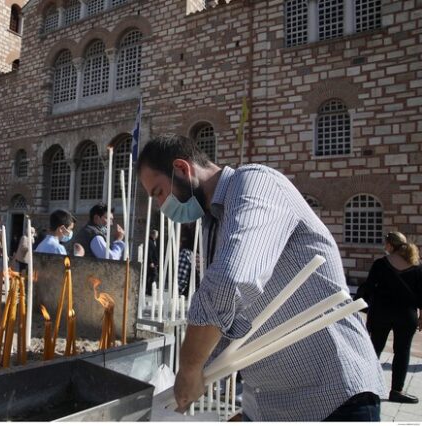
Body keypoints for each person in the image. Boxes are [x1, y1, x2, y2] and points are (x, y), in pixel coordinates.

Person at [136, 135, 386, 421]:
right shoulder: (212, 223)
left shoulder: (255, 183)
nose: (160, 206)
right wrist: (250, 412)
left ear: (181, 169)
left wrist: (189, 367)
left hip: (334, 397)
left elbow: (231, 281)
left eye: (158, 192)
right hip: (278, 404)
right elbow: (235, 321)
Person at [360, 231, 422, 404]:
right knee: (402, 352)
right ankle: (397, 391)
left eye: (385, 243)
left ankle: (366, 387)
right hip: (406, 315)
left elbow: (369, 288)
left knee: (374, 349)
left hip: (381, 313)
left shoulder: (380, 264)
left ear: (390, 245)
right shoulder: (416, 267)